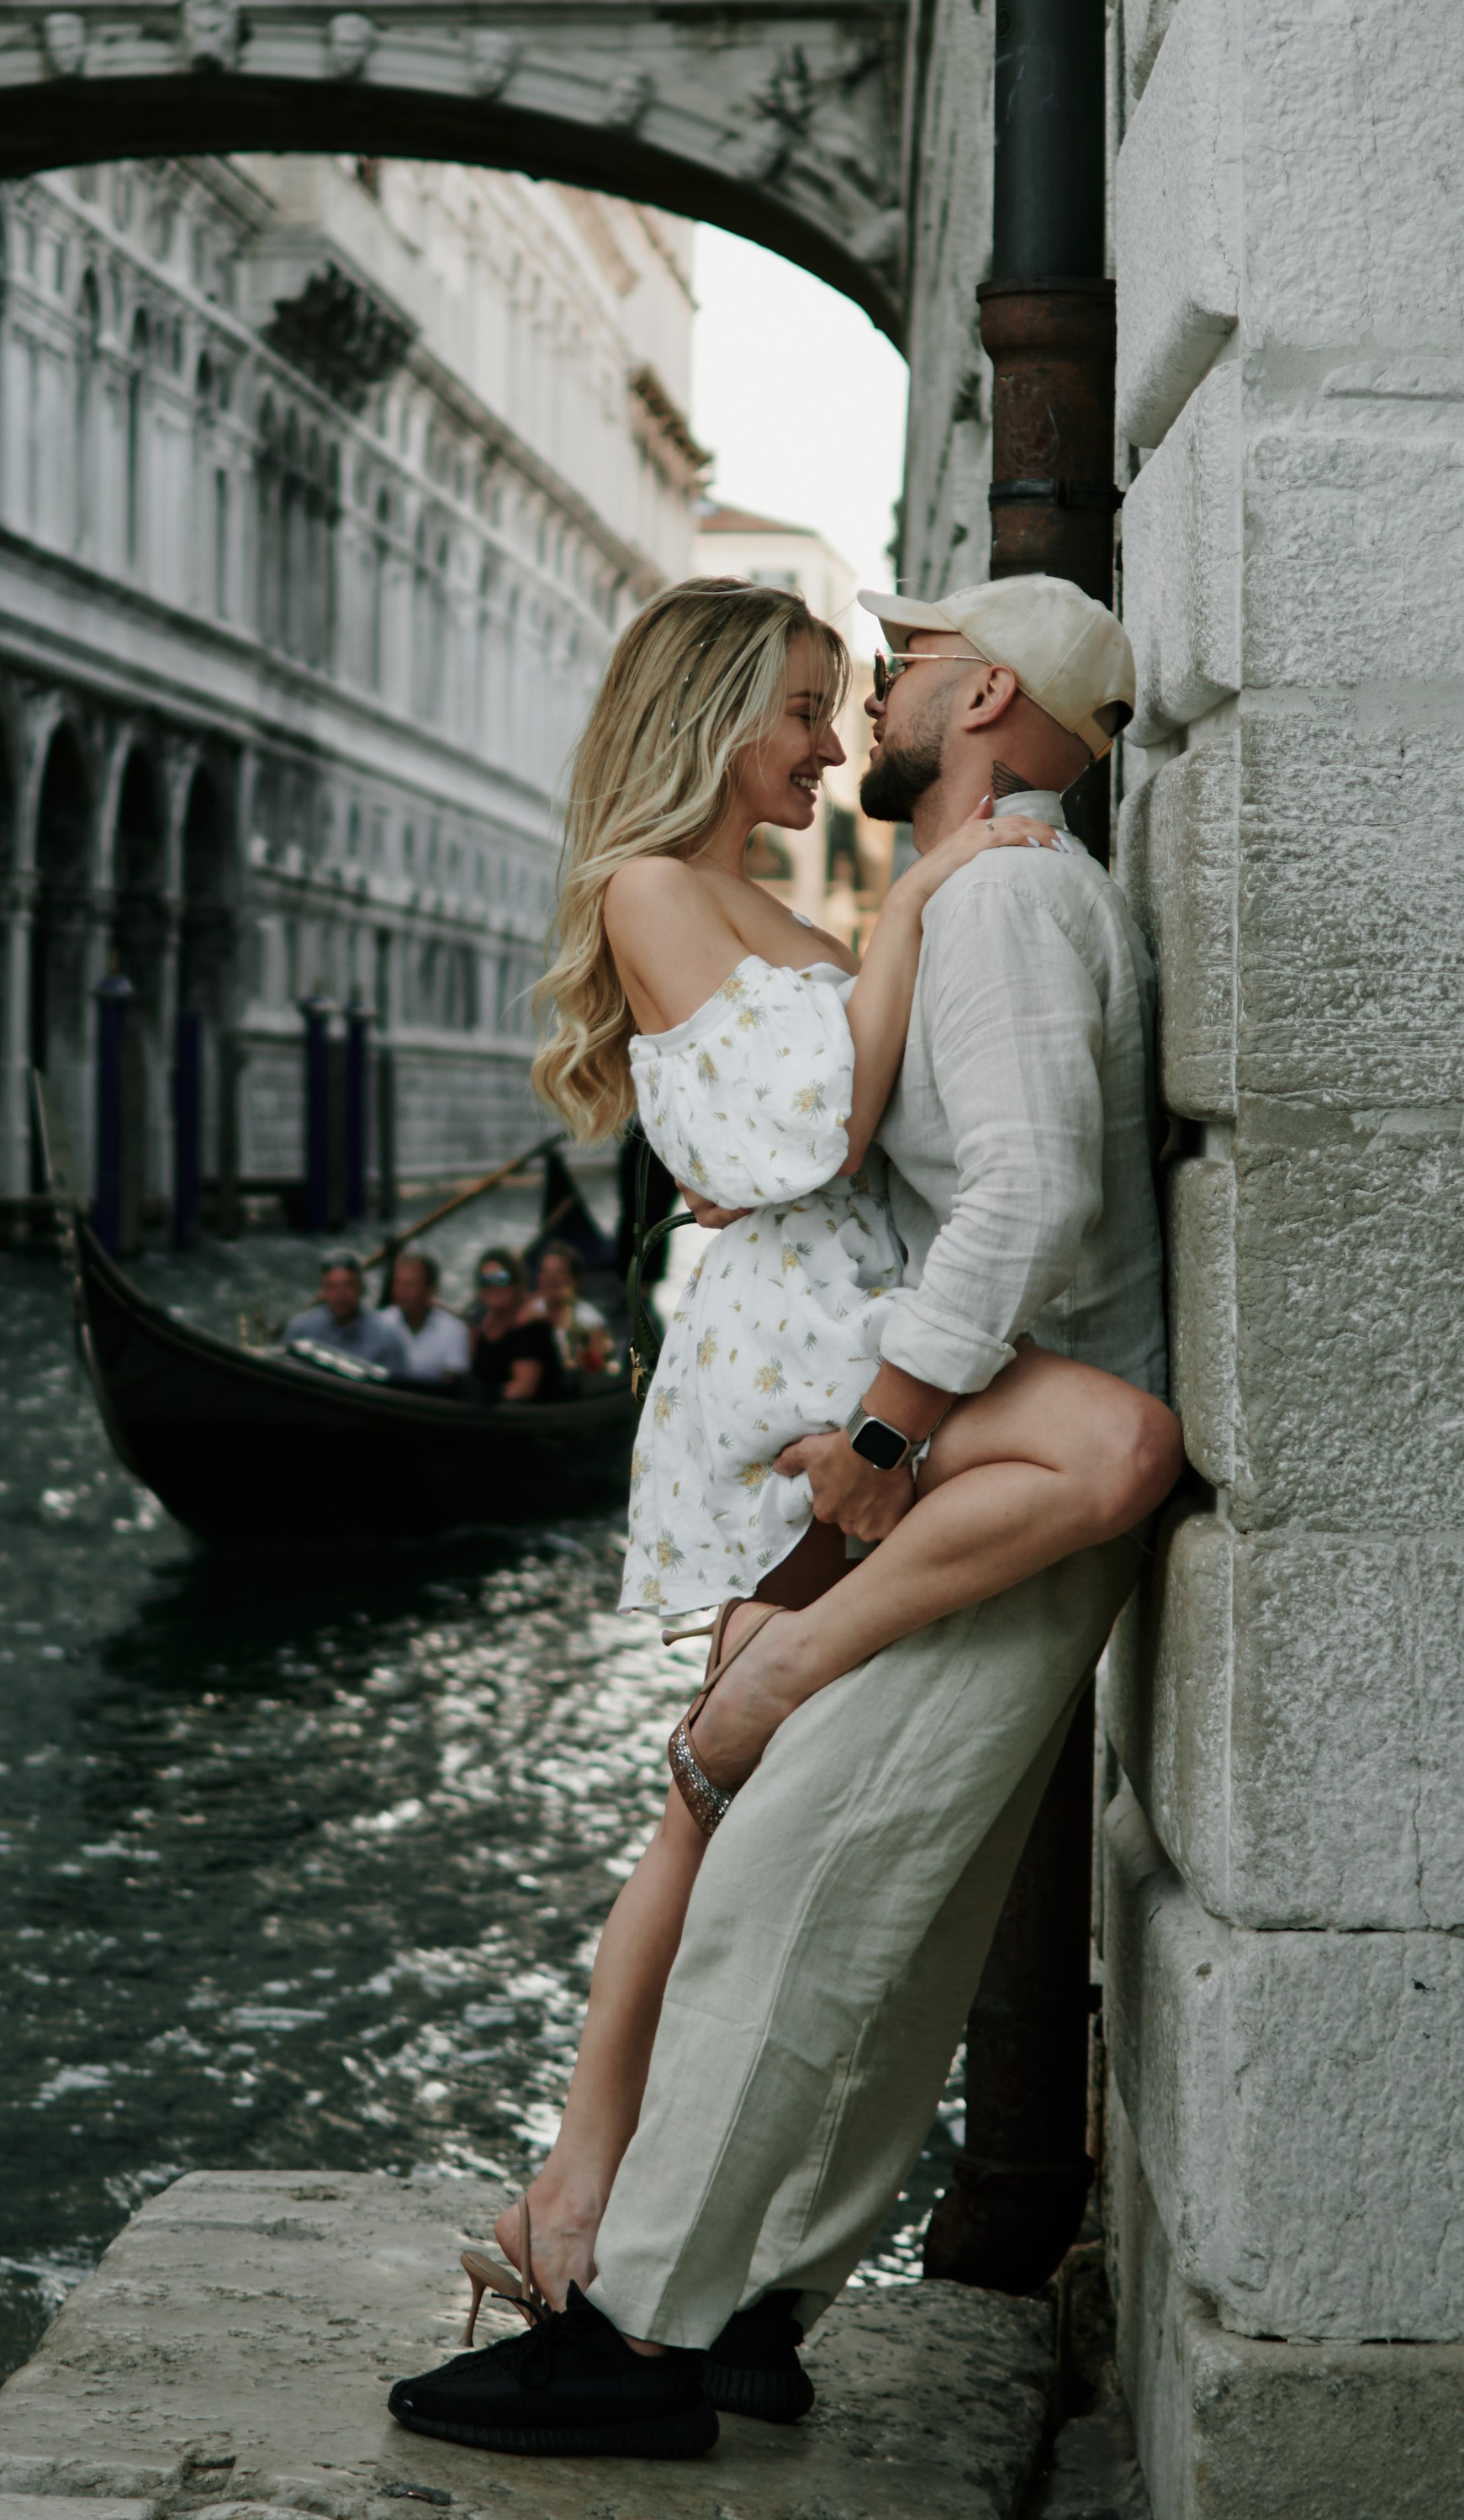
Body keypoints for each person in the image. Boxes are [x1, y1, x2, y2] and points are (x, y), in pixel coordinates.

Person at [388, 571, 1181, 2459]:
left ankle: (657, 2292)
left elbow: (945, 1169)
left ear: (978, 691)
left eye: (871, 684)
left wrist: (888, 1434)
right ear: (712, 714)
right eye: (808, 703)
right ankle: (652, 2260)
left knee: (774, 1845)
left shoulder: (961, 893)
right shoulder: (780, 889)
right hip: (826, 1384)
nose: (841, 733)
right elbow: (808, 1134)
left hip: (880, 1391)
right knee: (756, 1835)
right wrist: (900, 910)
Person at [465, 1248, 565, 1404]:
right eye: (485, 1280)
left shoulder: (533, 1328)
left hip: (529, 1418)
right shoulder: (483, 1321)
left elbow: (523, 1390)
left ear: (517, 1283)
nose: (493, 1287)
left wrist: (487, 1395)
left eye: (501, 1279)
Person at [283, 1247, 405, 1375]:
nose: (340, 1294)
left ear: (361, 1288)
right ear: (323, 1292)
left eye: (348, 1285)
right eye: (332, 1286)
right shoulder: (300, 1329)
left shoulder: (386, 1337)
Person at [383, 1249, 471, 1389]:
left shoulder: (454, 1330)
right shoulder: (381, 1322)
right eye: (398, 1284)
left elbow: (452, 1386)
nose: (401, 1292)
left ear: (430, 1290)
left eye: (409, 1285)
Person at [533, 1239, 615, 1379]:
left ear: (574, 1279)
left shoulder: (590, 1320)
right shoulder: (529, 1312)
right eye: (545, 1272)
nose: (550, 1279)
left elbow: (597, 1367)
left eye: (559, 1272)